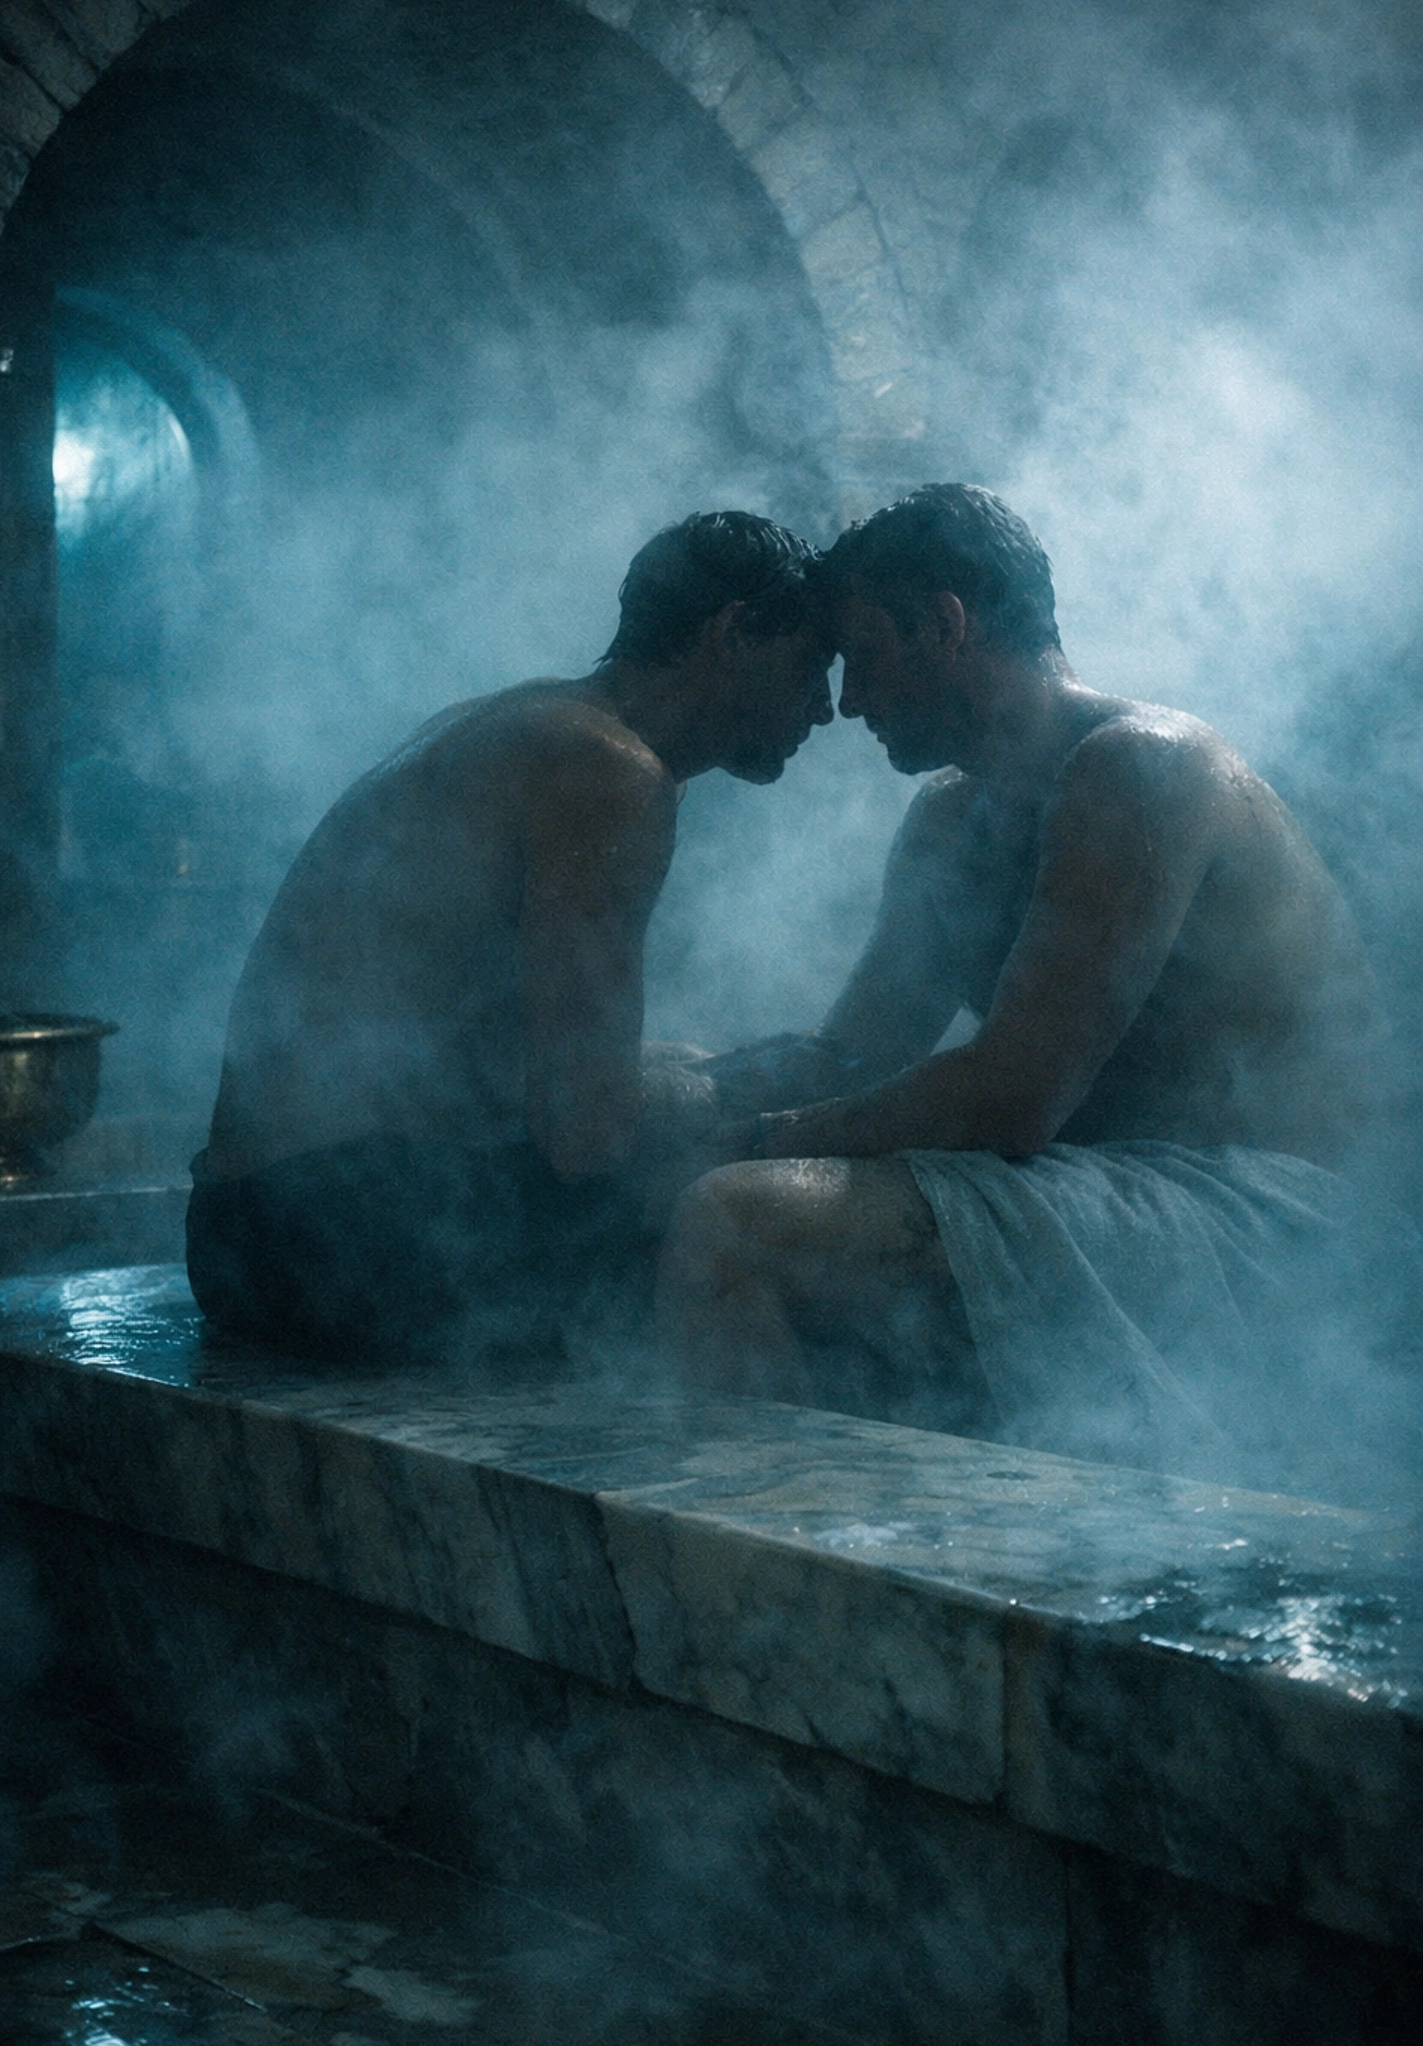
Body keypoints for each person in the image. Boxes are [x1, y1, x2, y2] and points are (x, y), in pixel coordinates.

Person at [659, 486, 1413, 1493]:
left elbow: (1017, 1095)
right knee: (675, 1182)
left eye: (864, 655)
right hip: (1110, 1193)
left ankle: (791, 1601)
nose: (847, 702)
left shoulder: (1141, 768)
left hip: (1272, 1216)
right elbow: (853, 1054)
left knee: (735, 1224)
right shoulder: (947, 823)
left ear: (946, 625)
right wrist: (692, 1093)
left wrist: (758, 1143)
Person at [187, 511, 832, 1363]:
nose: (825, 709)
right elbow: (584, 1133)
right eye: (809, 666)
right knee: (765, 1226)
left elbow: (494, 1066)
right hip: (326, 1237)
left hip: (245, 1227)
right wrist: (737, 1093)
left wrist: (696, 1072)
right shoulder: (606, 769)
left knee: (711, 1118)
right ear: (731, 632)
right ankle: (785, 1489)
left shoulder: (532, 722)